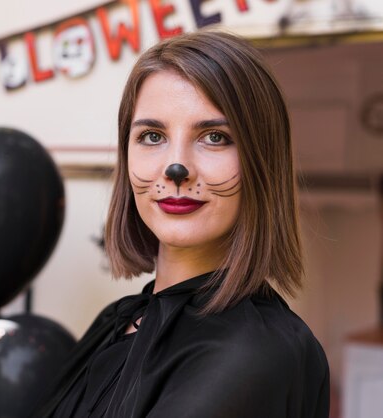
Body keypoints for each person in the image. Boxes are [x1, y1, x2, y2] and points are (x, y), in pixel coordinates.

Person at [33, 30, 330, 418]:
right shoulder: (119, 320)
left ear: (262, 161)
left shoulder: (254, 352)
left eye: (214, 137)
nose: (177, 168)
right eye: (152, 136)